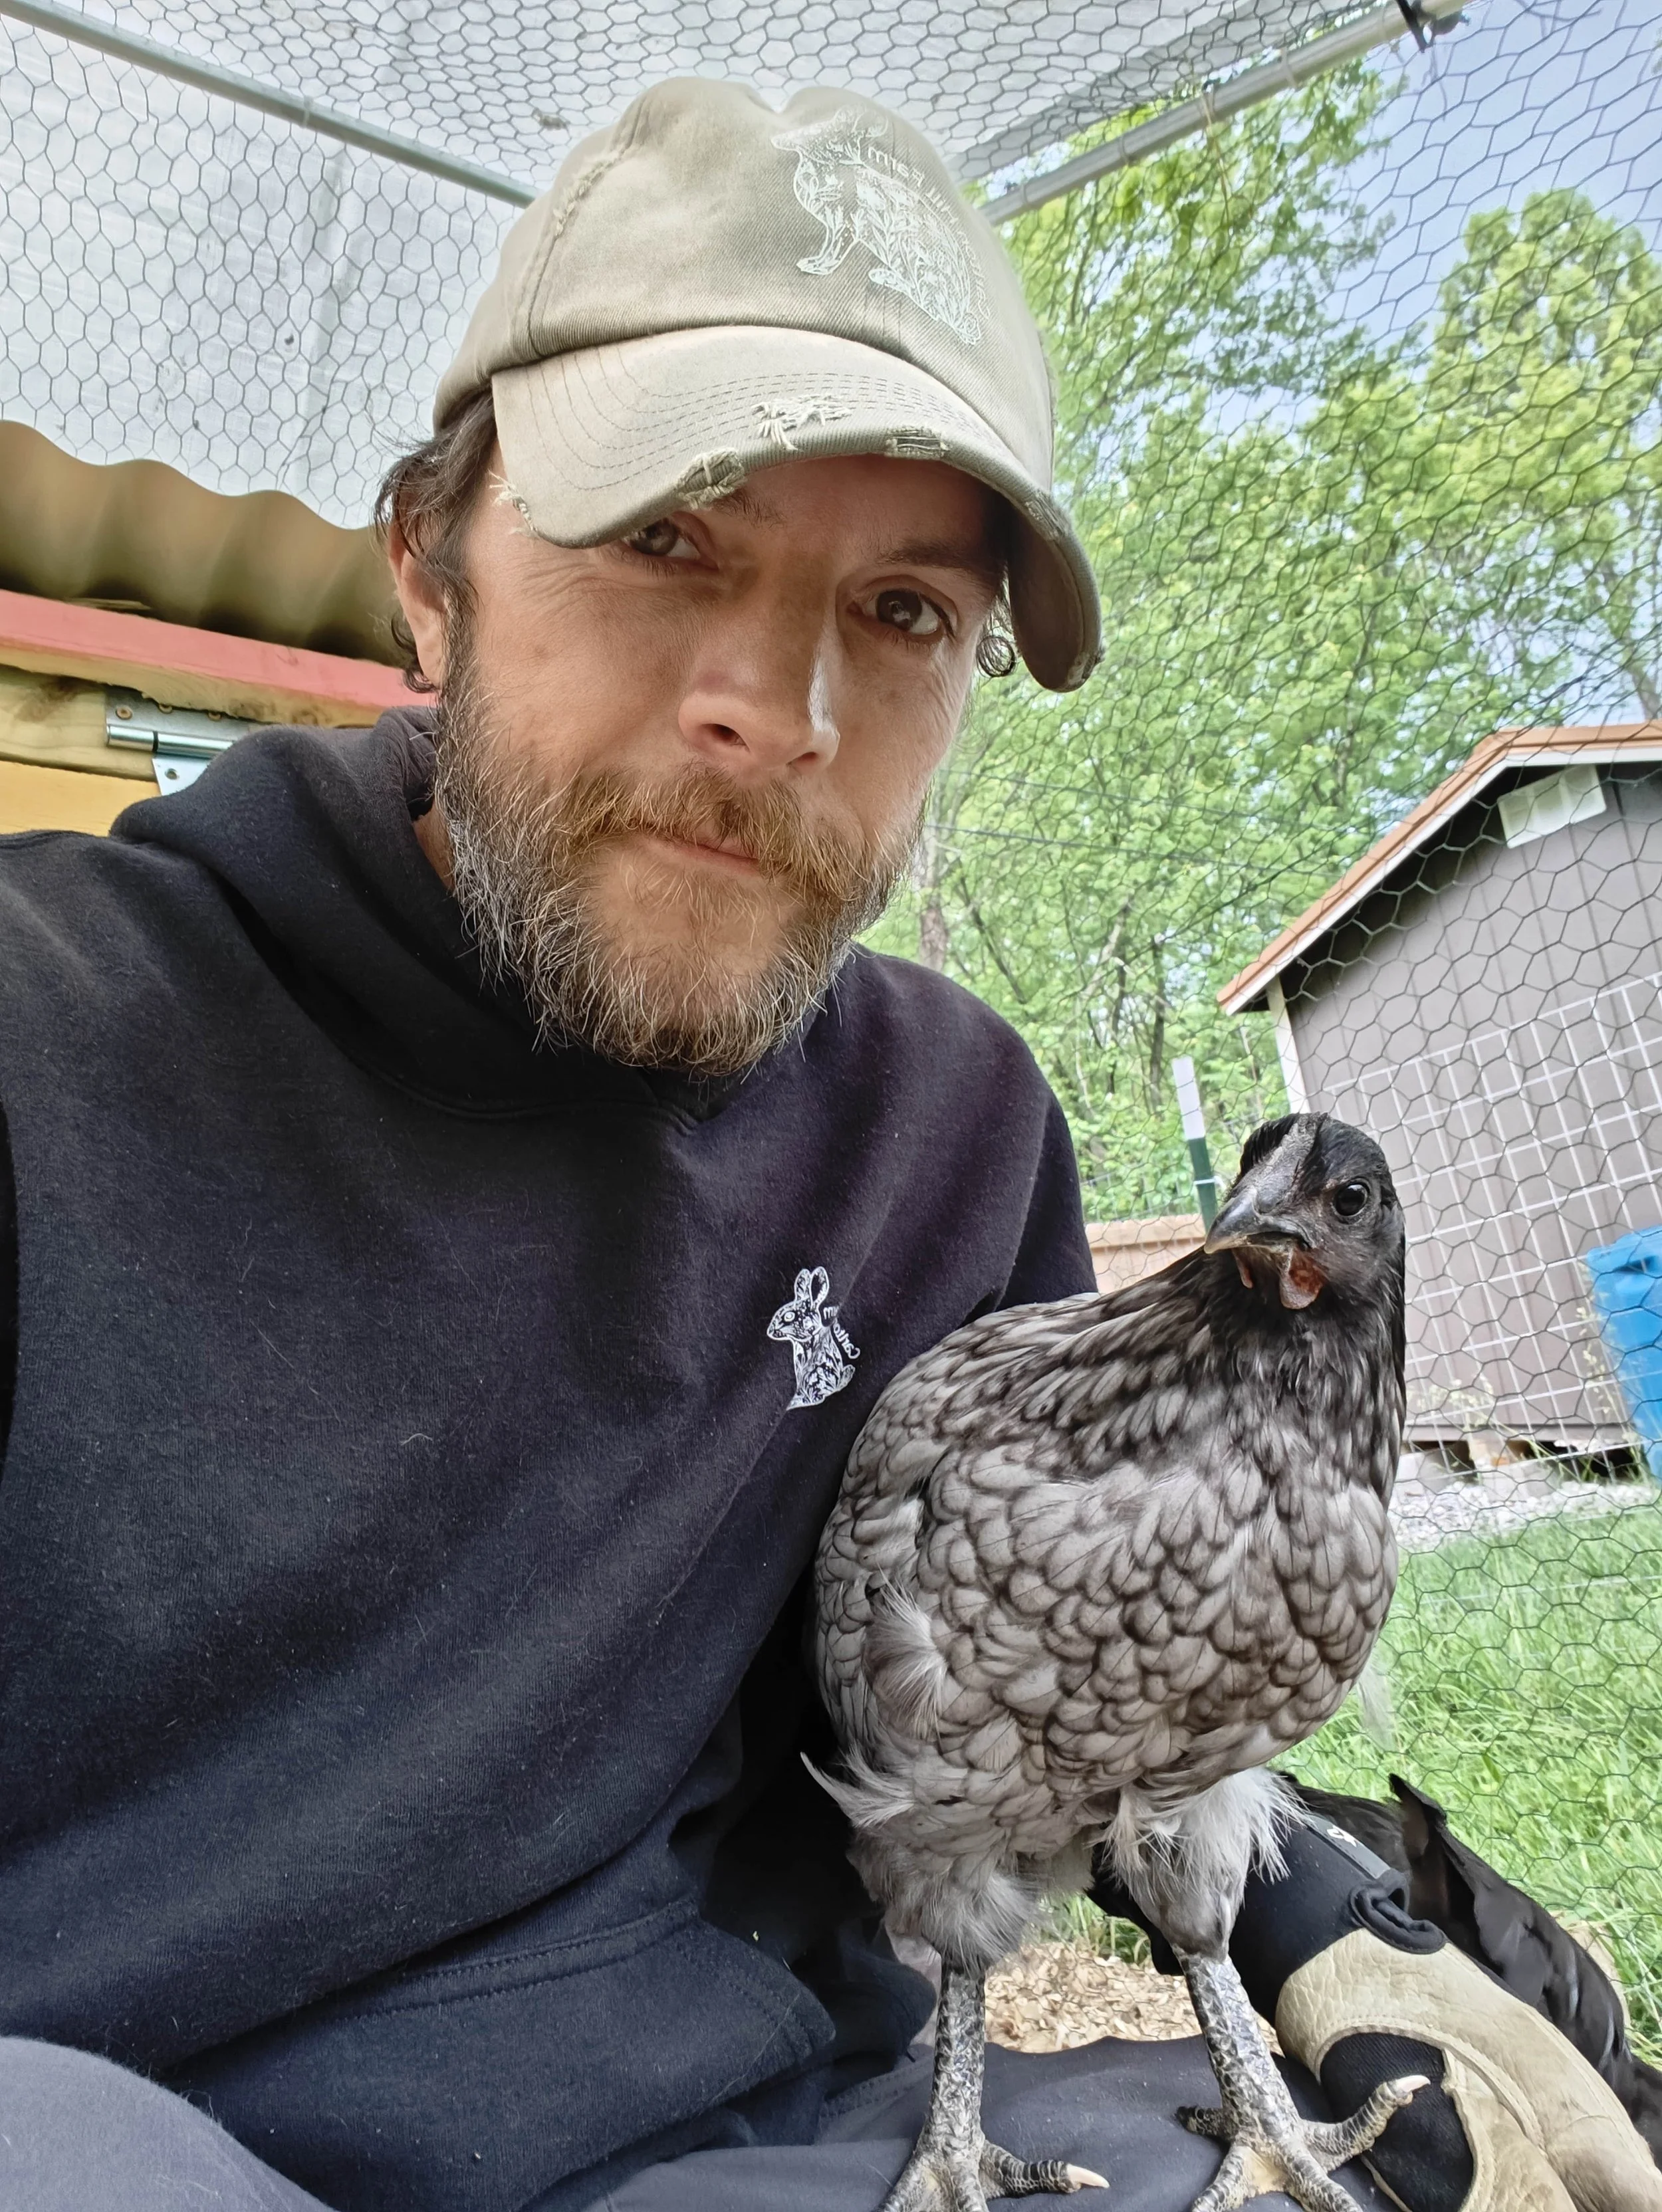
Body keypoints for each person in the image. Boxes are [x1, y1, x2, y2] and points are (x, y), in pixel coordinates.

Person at [0, 76, 1653, 2212]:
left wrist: (1328, 1906)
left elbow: (1047, 1681)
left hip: (815, 2151)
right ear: (426, 569)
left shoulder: (946, 1136)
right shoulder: (47, 1040)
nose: (774, 711)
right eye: (664, 540)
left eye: (900, 614)